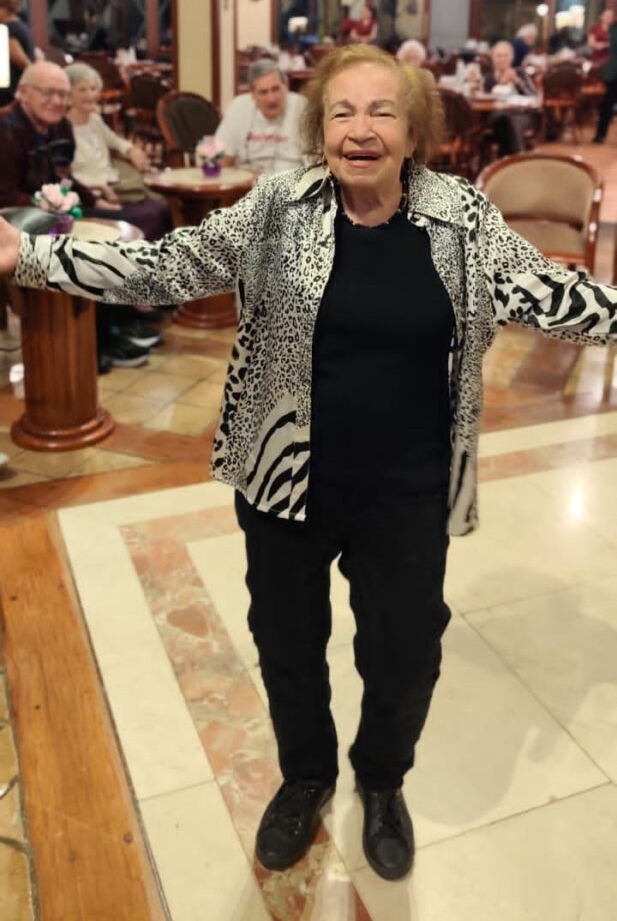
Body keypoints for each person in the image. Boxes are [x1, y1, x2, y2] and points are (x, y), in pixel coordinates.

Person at [0, 44, 615, 882]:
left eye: (381, 112)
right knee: (287, 643)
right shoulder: (276, 207)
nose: (360, 129)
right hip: (284, 478)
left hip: (408, 487)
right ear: (318, 128)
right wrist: (30, 256)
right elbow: (166, 266)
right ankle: (306, 778)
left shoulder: (462, 217)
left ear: (413, 133)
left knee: (404, 654)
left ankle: (381, 780)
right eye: (340, 112)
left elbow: (553, 294)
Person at [0, 60, 160, 369]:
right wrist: (50, 206)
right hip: (16, 224)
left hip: (55, 213)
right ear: (23, 92)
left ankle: (119, 324)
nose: (57, 101)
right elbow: (5, 195)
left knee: (118, 231)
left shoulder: (61, 126)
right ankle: (100, 343)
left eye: (62, 94)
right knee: (87, 252)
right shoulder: (5, 129)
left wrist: (93, 199)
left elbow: (65, 176)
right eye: (47, 93)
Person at [65, 63, 172, 242]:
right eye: (82, 90)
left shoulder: (94, 120)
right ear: (68, 95)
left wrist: (131, 150)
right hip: (89, 196)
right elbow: (67, 175)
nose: (90, 95)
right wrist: (98, 188)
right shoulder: (63, 128)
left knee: (163, 206)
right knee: (148, 215)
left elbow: (116, 141)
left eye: (93, 88)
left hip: (115, 186)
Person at [215, 59, 307, 176]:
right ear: (252, 94)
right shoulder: (239, 106)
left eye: (276, 89)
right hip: (247, 182)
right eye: (263, 92)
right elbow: (219, 158)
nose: (271, 99)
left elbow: (315, 163)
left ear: (286, 86)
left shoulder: (301, 107)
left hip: (291, 182)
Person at [484, 40, 537, 156]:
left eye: (505, 55)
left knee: (511, 123)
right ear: (493, 58)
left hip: (520, 114)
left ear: (511, 58)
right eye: (498, 56)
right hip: (496, 116)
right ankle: (518, 157)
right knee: (505, 120)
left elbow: (533, 95)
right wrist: (500, 84)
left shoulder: (520, 73)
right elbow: (483, 97)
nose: (502, 59)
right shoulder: (488, 78)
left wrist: (517, 81)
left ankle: (507, 159)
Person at [0, 0, 35, 107]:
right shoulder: (20, 26)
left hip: (8, 93)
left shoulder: (9, 31)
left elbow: (22, 62)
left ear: (3, 9)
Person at [593, 19, 617, 143]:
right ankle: (600, 134)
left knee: (607, 104)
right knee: (607, 104)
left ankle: (600, 135)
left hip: (612, 70)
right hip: (613, 71)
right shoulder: (613, 28)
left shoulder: (612, 28)